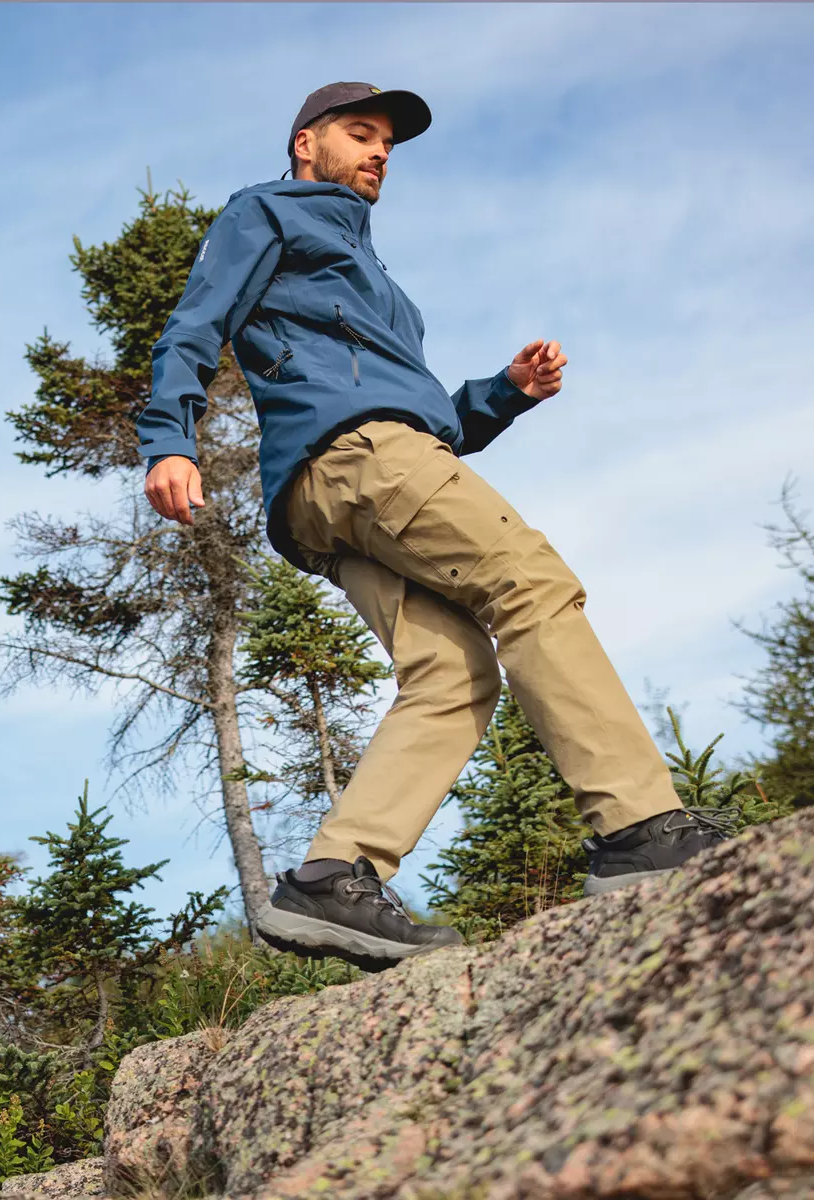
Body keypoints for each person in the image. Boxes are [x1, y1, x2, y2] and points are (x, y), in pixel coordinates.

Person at [139, 81, 730, 972]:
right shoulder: (267, 212)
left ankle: (333, 876)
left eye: (387, 142)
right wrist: (169, 440)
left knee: (452, 674)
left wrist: (506, 393)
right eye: (360, 133)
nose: (379, 151)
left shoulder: (373, 279)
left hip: (340, 488)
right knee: (530, 583)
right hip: (359, 458)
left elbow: (434, 425)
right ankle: (640, 826)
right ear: (305, 144)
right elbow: (197, 321)